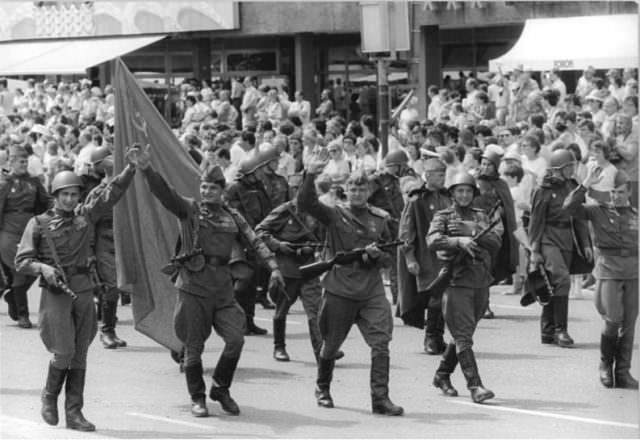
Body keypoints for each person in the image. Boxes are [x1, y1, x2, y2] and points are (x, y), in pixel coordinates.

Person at [128, 145, 285, 417]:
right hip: (193, 286)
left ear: (222, 190)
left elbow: (254, 240)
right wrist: (146, 168)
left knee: (236, 339)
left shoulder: (233, 217)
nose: (206, 192)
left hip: (222, 288)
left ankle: (220, 388)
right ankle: (197, 397)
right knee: (193, 347)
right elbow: (165, 193)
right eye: (204, 187)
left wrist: (273, 267)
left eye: (212, 188)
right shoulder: (190, 210)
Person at [14, 161, 135, 432]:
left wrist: (130, 170)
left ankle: (74, 412)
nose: (69, 200)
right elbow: (21, 261)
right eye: (64, 194)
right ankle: (48, 395)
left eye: (74, 194)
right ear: (55, 196)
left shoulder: (85, 217)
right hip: (56, 293)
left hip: (82, 290)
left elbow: (109, 196)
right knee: (64, 352)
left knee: (80, 354)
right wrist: (43, 268)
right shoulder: (38, 224)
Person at [298, 162, 404, 416]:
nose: (357, 193)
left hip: (371, 290)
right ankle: (322, 388)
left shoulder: (380, 218)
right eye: (353, 189)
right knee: (331, 345)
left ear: (369, 191)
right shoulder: (334, 214)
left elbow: (389, 256)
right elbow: (306, 204)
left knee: (381, 344)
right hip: (340, 288)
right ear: (345, 190)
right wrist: (310, 173)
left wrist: (375, 257)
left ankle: (380, 398)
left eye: (362, 189)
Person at [426, 172, 502, 403]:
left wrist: (471, 232)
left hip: (480, 281)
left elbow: (496, 243)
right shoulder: (443, 216)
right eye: (459, 190)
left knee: (462, 333)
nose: (464, 195)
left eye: (468, 191)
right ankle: (475, 385)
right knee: (463, 336)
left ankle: (442, 375)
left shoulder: (481, 217)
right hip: (456, 281)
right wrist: (457, 241)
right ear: (452, 194)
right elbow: (432, 240)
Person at [563, 167, 638, 389]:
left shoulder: (636, 215)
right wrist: (585, 184)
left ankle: (623, 372)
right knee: (613, 320)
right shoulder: (598, 211)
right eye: (613, 192)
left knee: (630, 324)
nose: (616, 196)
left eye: (621, 192)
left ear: (629, 192)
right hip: (609, 271)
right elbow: (569, 207)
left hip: (634, 273)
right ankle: (605, 365)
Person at [528, 149, 593, 347]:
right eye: (568, 166)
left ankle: (547, 331)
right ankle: (560, 330)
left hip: (567, 239)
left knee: (554, 283)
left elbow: (579, 218)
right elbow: (536, 221)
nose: (572, 169)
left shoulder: (572, 186)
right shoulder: (543, 189)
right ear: (558, 168)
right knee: (562, 279)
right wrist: (535, 250)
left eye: (573, 166)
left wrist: (586, 243)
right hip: (548, 237)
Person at [255, 199, 326, 362]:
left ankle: (320, 351)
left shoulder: (320, 209)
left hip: (310, 264)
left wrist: (315, 248)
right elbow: (259, 231)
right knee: (282, 310)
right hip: (287, 265)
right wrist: (278, 245)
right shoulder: (286, 210)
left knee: (314, 310)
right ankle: (279, 346)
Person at [81, 146, 136, 348]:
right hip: (106, 243)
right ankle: (107, 330)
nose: (115, 157)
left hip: (127, 241)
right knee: (110, 288)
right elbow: (88, 224)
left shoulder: (130, 187)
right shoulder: (97, 192)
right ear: (100, 165)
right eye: (109, 156)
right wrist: (90, 254)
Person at [397, 158, 450, 355]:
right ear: (427, 176)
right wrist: (410, 257)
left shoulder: (447, 197)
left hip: (445, 254)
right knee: (434, 297)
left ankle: (438, 336)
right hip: (425, 255)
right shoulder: (417, 199)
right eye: (438, 174)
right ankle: (430, 337)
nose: (443, 178)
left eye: (444, 174)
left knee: (444, 297)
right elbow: (406, 230)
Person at [0, 145, 51, 328]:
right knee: (20, 269)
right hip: (9, 232)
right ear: (11, 162)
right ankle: (23, 314)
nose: (24, 164)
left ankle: (13, 296)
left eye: (25, 161)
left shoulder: (34, 182)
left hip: (30, 230)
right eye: (20, 161)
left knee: (34, 268)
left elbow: (46, 202)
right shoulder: (4, 183)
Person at [226, 151, 274, 334]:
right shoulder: (234, 188)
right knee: (242, 282)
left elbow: (265, 211)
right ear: (251, 172)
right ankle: (236, 321)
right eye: (259, 169)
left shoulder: (260, 187)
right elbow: (233, 214)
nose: (262, 172)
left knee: (253, 282)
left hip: (255, 238)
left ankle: (249, 321)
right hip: (239, 240)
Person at [368, 150, 416, 305]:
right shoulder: (376, 180)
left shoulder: (397, 181)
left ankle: (399, 298)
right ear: (396, 165)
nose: (405, 168)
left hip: (395, 227)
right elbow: (362, 201)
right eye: (402, 165)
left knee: (397, 263)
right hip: (379, 228)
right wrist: (379, 212)